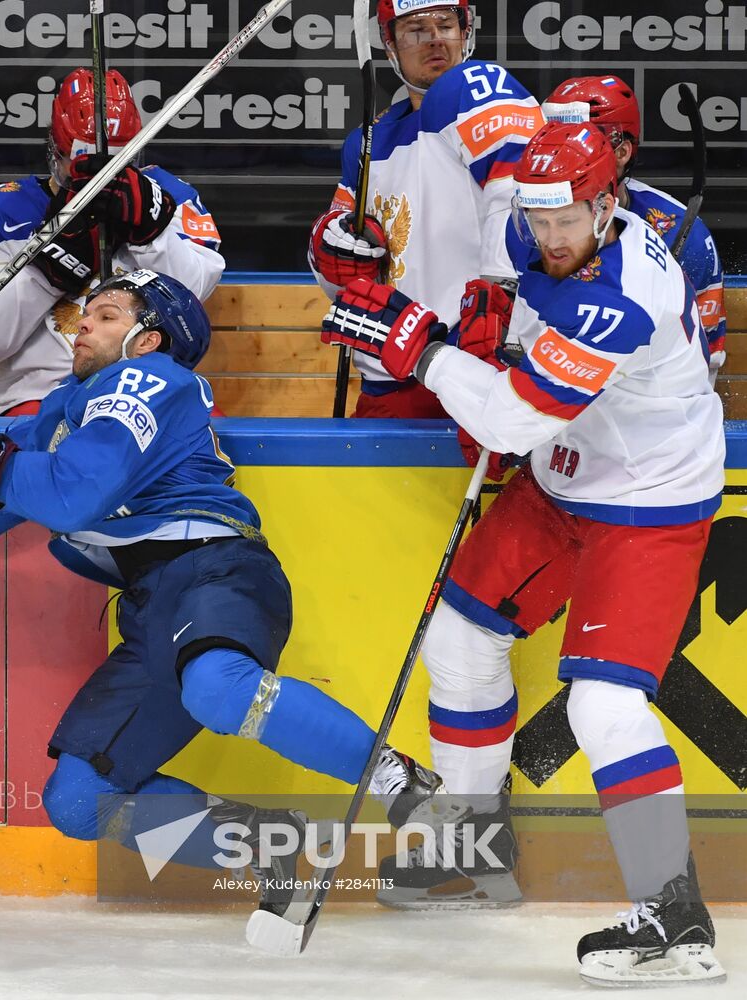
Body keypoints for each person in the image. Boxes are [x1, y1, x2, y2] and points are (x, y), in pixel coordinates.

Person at [0, 267, 458, 930]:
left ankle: (392, 778)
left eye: (108, 314)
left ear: (147, 340)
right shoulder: (66, 406)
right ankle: (266, 847)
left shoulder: (147, 380)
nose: (83, 322)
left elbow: (69, 495)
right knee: (80, 802)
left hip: (213, 569)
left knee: (217, 687)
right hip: (152, 605)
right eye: (87, 311)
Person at [321, 123, 724, 985]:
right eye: (537, 217)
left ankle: (672, 911)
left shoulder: (620, 297)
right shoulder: (535, 226)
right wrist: (378, 273)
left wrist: (422, 348)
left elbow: (506, 419)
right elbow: (491, 269)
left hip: (645, 501)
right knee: (459, 643)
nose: (547, 237)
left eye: (566, 221)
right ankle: (472, 850)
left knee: (603, 707)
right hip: (565, 472)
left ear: (608, 206)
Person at [0, 67, 224, 416]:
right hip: (39, 400)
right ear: (54, 150)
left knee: (210, 436)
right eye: (83, 165)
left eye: (118, 163)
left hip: (154, 393)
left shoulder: (168, 196)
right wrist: (46, 270)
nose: (97, 177)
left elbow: (193, 297)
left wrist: (153, 236)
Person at [307, 0, 542, 419]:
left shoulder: (479, 91)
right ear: (390, 43)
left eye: (445, 25)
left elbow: (523, 201)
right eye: (416, 29)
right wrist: (332, 253)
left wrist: (500, 307)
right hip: (387, 371)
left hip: (472, 365)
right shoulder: (368, 142)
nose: (435, 38)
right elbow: (337, 281)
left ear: (465, 32)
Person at [542, 75, 726, 383]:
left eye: (582, 142)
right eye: (552, 137)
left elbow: (701, 369)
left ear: (622, 152)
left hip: (646, 407)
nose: (560, 154)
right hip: (549, 399)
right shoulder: (520, 222)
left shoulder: (683, 234)